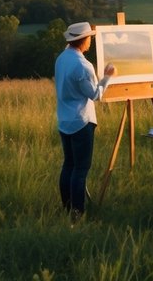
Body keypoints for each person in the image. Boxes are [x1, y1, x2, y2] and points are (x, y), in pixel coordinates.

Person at [54, 21, 114, 217]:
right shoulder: (83, 65)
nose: (90, 41)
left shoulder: (61, 58)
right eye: (89, 38)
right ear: (83, 40)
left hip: (64, 120)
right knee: (80, 169)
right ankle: (77, 212)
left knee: (68, 164)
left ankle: (67, 206)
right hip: (81, 121)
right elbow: (96, 95)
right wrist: (107, 77)